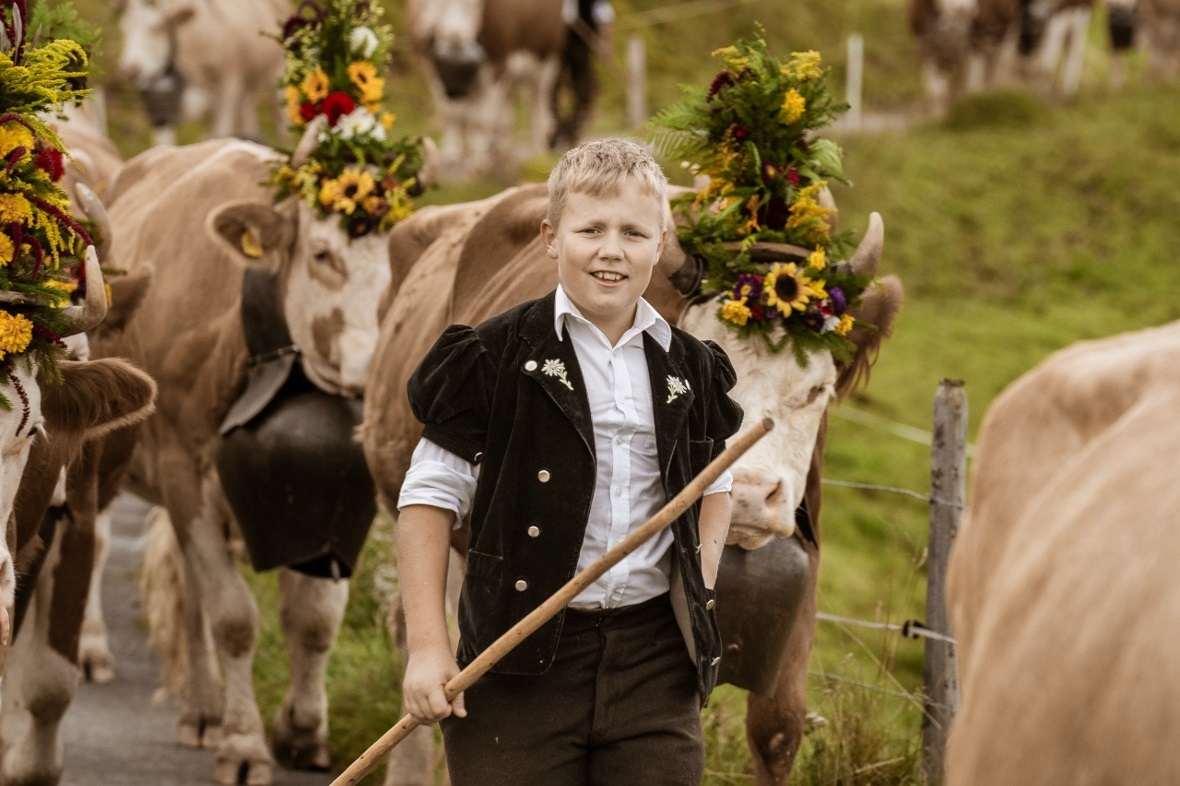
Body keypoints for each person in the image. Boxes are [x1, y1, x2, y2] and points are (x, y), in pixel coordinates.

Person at [396, 137, 744, 785]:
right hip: (515, 658)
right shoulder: (493, 356)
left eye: (634, 232)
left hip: (654, 666)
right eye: (591, 230)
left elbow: (716, 479)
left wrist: (701, 583)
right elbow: (427, 499)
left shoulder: (691, 368)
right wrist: (426, 648)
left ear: (662, 242)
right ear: (551, 237)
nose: (612, 250)